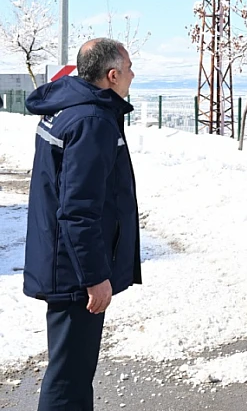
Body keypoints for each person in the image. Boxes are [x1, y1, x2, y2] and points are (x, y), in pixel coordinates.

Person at [23, 38, 141, 411]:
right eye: (128, 69)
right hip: (73, 271)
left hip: (62, 259)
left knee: (71, 374)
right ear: (111, 76)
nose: (132, 76)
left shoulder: (69, 107)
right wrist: (94, 276)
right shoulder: (91, 120)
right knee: (69, 379)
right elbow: (78, 209)